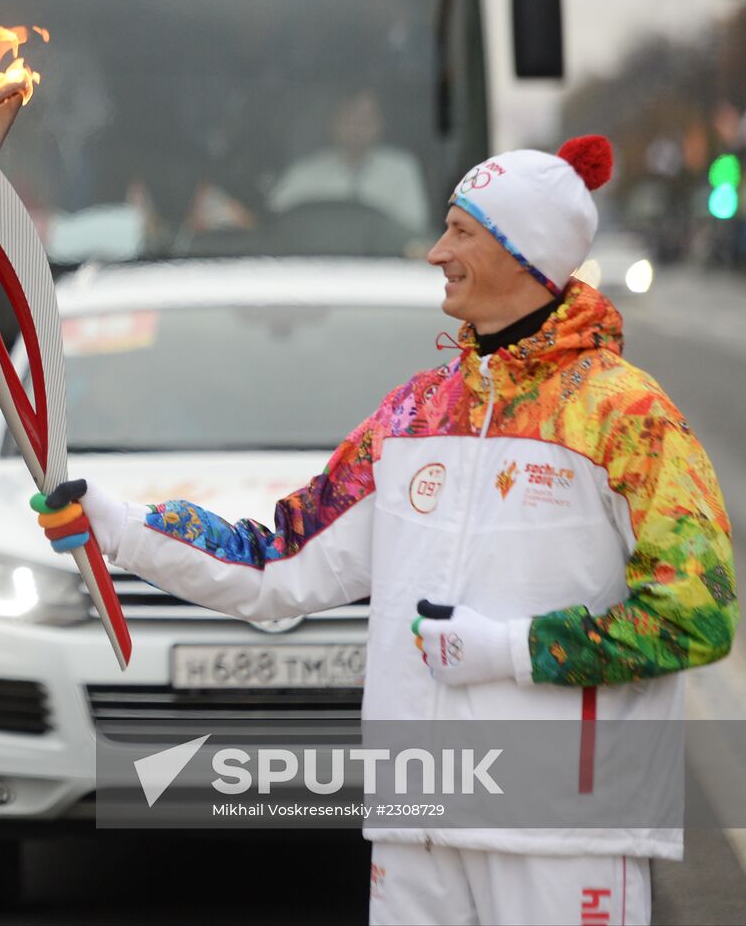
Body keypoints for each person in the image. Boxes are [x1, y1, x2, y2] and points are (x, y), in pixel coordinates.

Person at [37, 136, 738, 925]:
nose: (438, 251)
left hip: (560, 824)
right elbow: (277, 560)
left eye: (462, 232)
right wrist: (123, 527)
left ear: (526, 253)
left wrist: (512, 649)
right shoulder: (416, 414)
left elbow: (697, 613)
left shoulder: (626, 417)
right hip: (419, 823)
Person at [266, 89, 430, 234]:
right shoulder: (304, 173)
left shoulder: (401, 170)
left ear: (380, 124)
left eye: (366, 119)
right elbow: (275, 227)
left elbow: (413, 232)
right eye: (350, 118)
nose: (358, 128)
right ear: (333, 123)